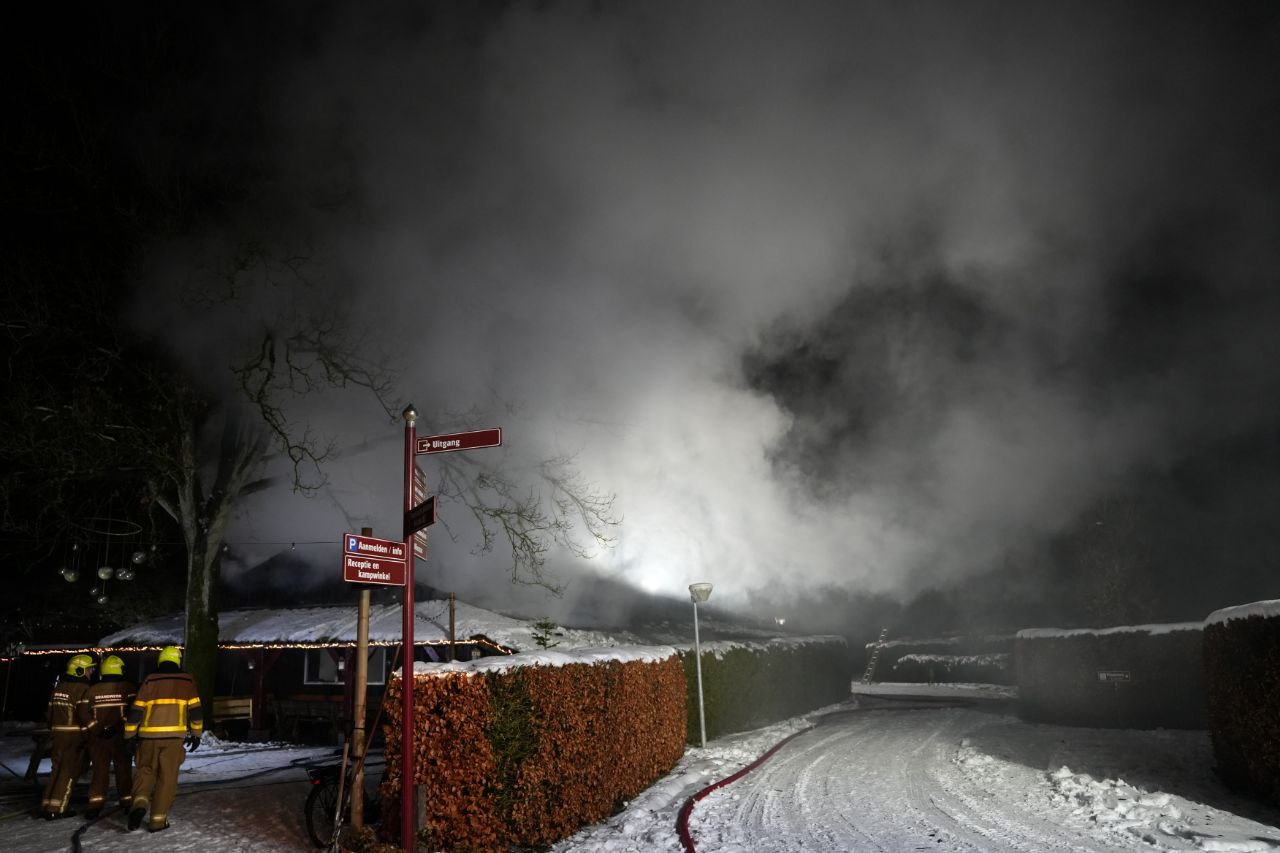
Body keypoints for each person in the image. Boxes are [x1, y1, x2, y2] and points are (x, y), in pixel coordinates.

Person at [124, 645, 202, 832]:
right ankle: (157, 821)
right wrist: (196, 734)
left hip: (148, 737)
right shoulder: (187, 681)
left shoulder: (149, 680)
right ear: (178, 661)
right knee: (167, 779)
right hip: (174, 739)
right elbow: (196, 711)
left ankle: (139, 804)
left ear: (161, 661)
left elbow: (136, 711)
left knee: (145, 772)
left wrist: (129, 735)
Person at [39, 653, 95, 819]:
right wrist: (95, 728)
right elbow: (84, 715)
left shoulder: (58, 689)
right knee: (69, 772)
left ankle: (47, 804)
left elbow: (49, 715)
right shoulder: (83, 689)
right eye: (89, 669)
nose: (91, 672)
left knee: (56, 770)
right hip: (74, 736)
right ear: (79, 670)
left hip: (58, 736)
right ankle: (58, 808)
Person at [83, 654, 137, 819]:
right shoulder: (128, 688)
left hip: (97, 739)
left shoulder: (92, 690)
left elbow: (83, 713)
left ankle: (95, 805)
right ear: (120, 669)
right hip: (120, 738)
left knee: (99, 771)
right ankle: (127, 802)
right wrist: (117, 728)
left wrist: (98, 729)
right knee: (123, 770)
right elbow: (134, 712)